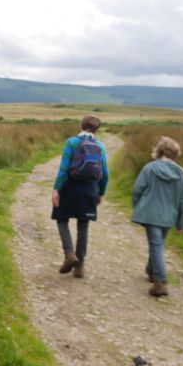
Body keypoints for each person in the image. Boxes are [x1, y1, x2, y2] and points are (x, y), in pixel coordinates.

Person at [51, 114, 109, 278]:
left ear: (80, 126)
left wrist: (56, 189)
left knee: (62, 219)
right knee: (83, 226)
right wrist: (101, 192)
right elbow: (105, 174)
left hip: (69, 187)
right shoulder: (100, 146)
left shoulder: (71, 142)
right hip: (90, 190)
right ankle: (80, 267)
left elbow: (63, 169)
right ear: (97, 130)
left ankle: (69, 254)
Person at [131, 136, 183, 297]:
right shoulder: (182, 173)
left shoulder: (149, 168)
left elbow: (137, 190)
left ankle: (160, 282)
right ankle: (151, 271)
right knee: (157, 244)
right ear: (175, 153)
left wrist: (139, 208)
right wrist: (181, 222)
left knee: (156, 245)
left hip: (150, 214)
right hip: (169, 216)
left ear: (159, 151)